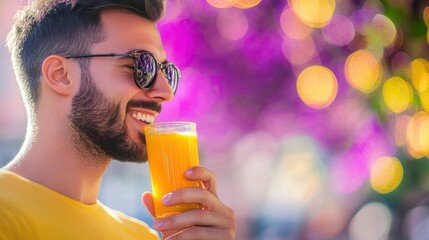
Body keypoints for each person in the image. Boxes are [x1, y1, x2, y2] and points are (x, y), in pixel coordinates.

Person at [0, 0, 236, 239]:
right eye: (141, 66)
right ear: (60, 75)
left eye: (167, 72)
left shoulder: (144, 235)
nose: (165, 92)